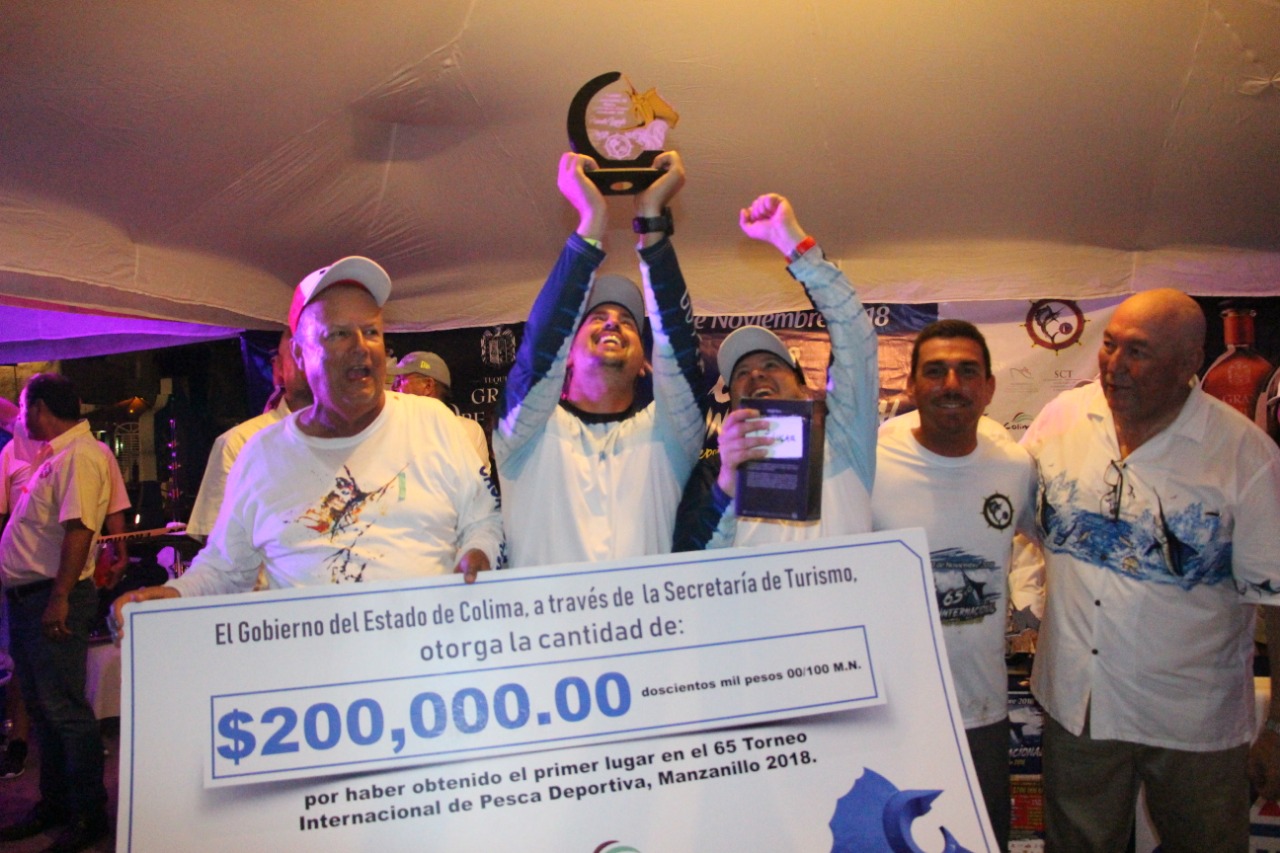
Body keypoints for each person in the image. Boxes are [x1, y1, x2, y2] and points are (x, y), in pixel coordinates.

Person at [1021, 289, 1280, 853]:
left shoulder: (1245, 455)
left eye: (1137, 352)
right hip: (1078, 708)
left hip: (1193, 722)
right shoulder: (1060, 419)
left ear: (1189, 362)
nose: (1114, 365)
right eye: (1109, 345)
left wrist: (1278, 727)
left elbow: (1277, 602)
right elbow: (1018, 523)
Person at [114, 255, 503, 618]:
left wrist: (479, 554)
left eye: (371, 331)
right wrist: (173, 596)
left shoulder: (434, 424)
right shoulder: (262, 455)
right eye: (339, 334)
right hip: (313, 662)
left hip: (427, 655)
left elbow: (484, 520)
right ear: (299, 355)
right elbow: (225, 570)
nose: (361, 347)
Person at [871, 319, 1040, 852]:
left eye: (967, 372)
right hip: (889, 715)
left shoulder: (1015, 467)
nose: (951, 384)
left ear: (989, 387)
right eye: (935, 371)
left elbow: (1063, 545)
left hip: (980, 712)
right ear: (911, 385)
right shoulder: (869, 462)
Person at [493, 151, 704, 567]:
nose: (612, 324)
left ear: (646, 363)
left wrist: (652, 220)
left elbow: (678, 349)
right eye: (597, 317)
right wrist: (590, 222)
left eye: (627, 322)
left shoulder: (671, 435)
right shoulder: (526, 435)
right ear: (567, 356)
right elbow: (539, 353)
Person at [671, 193, 878, 550]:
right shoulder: (716, 476)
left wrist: (792, 242)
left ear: (802, 386)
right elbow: (695, 568)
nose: (756, 376)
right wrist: (728, 484)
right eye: (741, 373)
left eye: (771, 365)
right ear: (732, 403)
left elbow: (856, 340)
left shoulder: (844, 443)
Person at [0, 374, 115, 851]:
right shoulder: (55, 455)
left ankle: (88, 814)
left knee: (65, 709)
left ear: (41, 408)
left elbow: (79, 530)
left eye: (25, 406)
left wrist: (61, 596)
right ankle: (56, 803)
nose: (21, 417)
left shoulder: (80, 456)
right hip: (30, 597)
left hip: (51, 595)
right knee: (44, 708)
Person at [186, 330, 313, 540]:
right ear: (278, 368)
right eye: (299, 352)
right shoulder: (240, 443)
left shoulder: (364, 435)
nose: (310, 361)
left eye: (320, 352)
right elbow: (218, 544)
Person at [389, 351, 489, 464]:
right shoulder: (392, 430)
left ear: (428, 385)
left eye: (400, 381)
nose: (394, 388)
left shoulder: (467, 431)